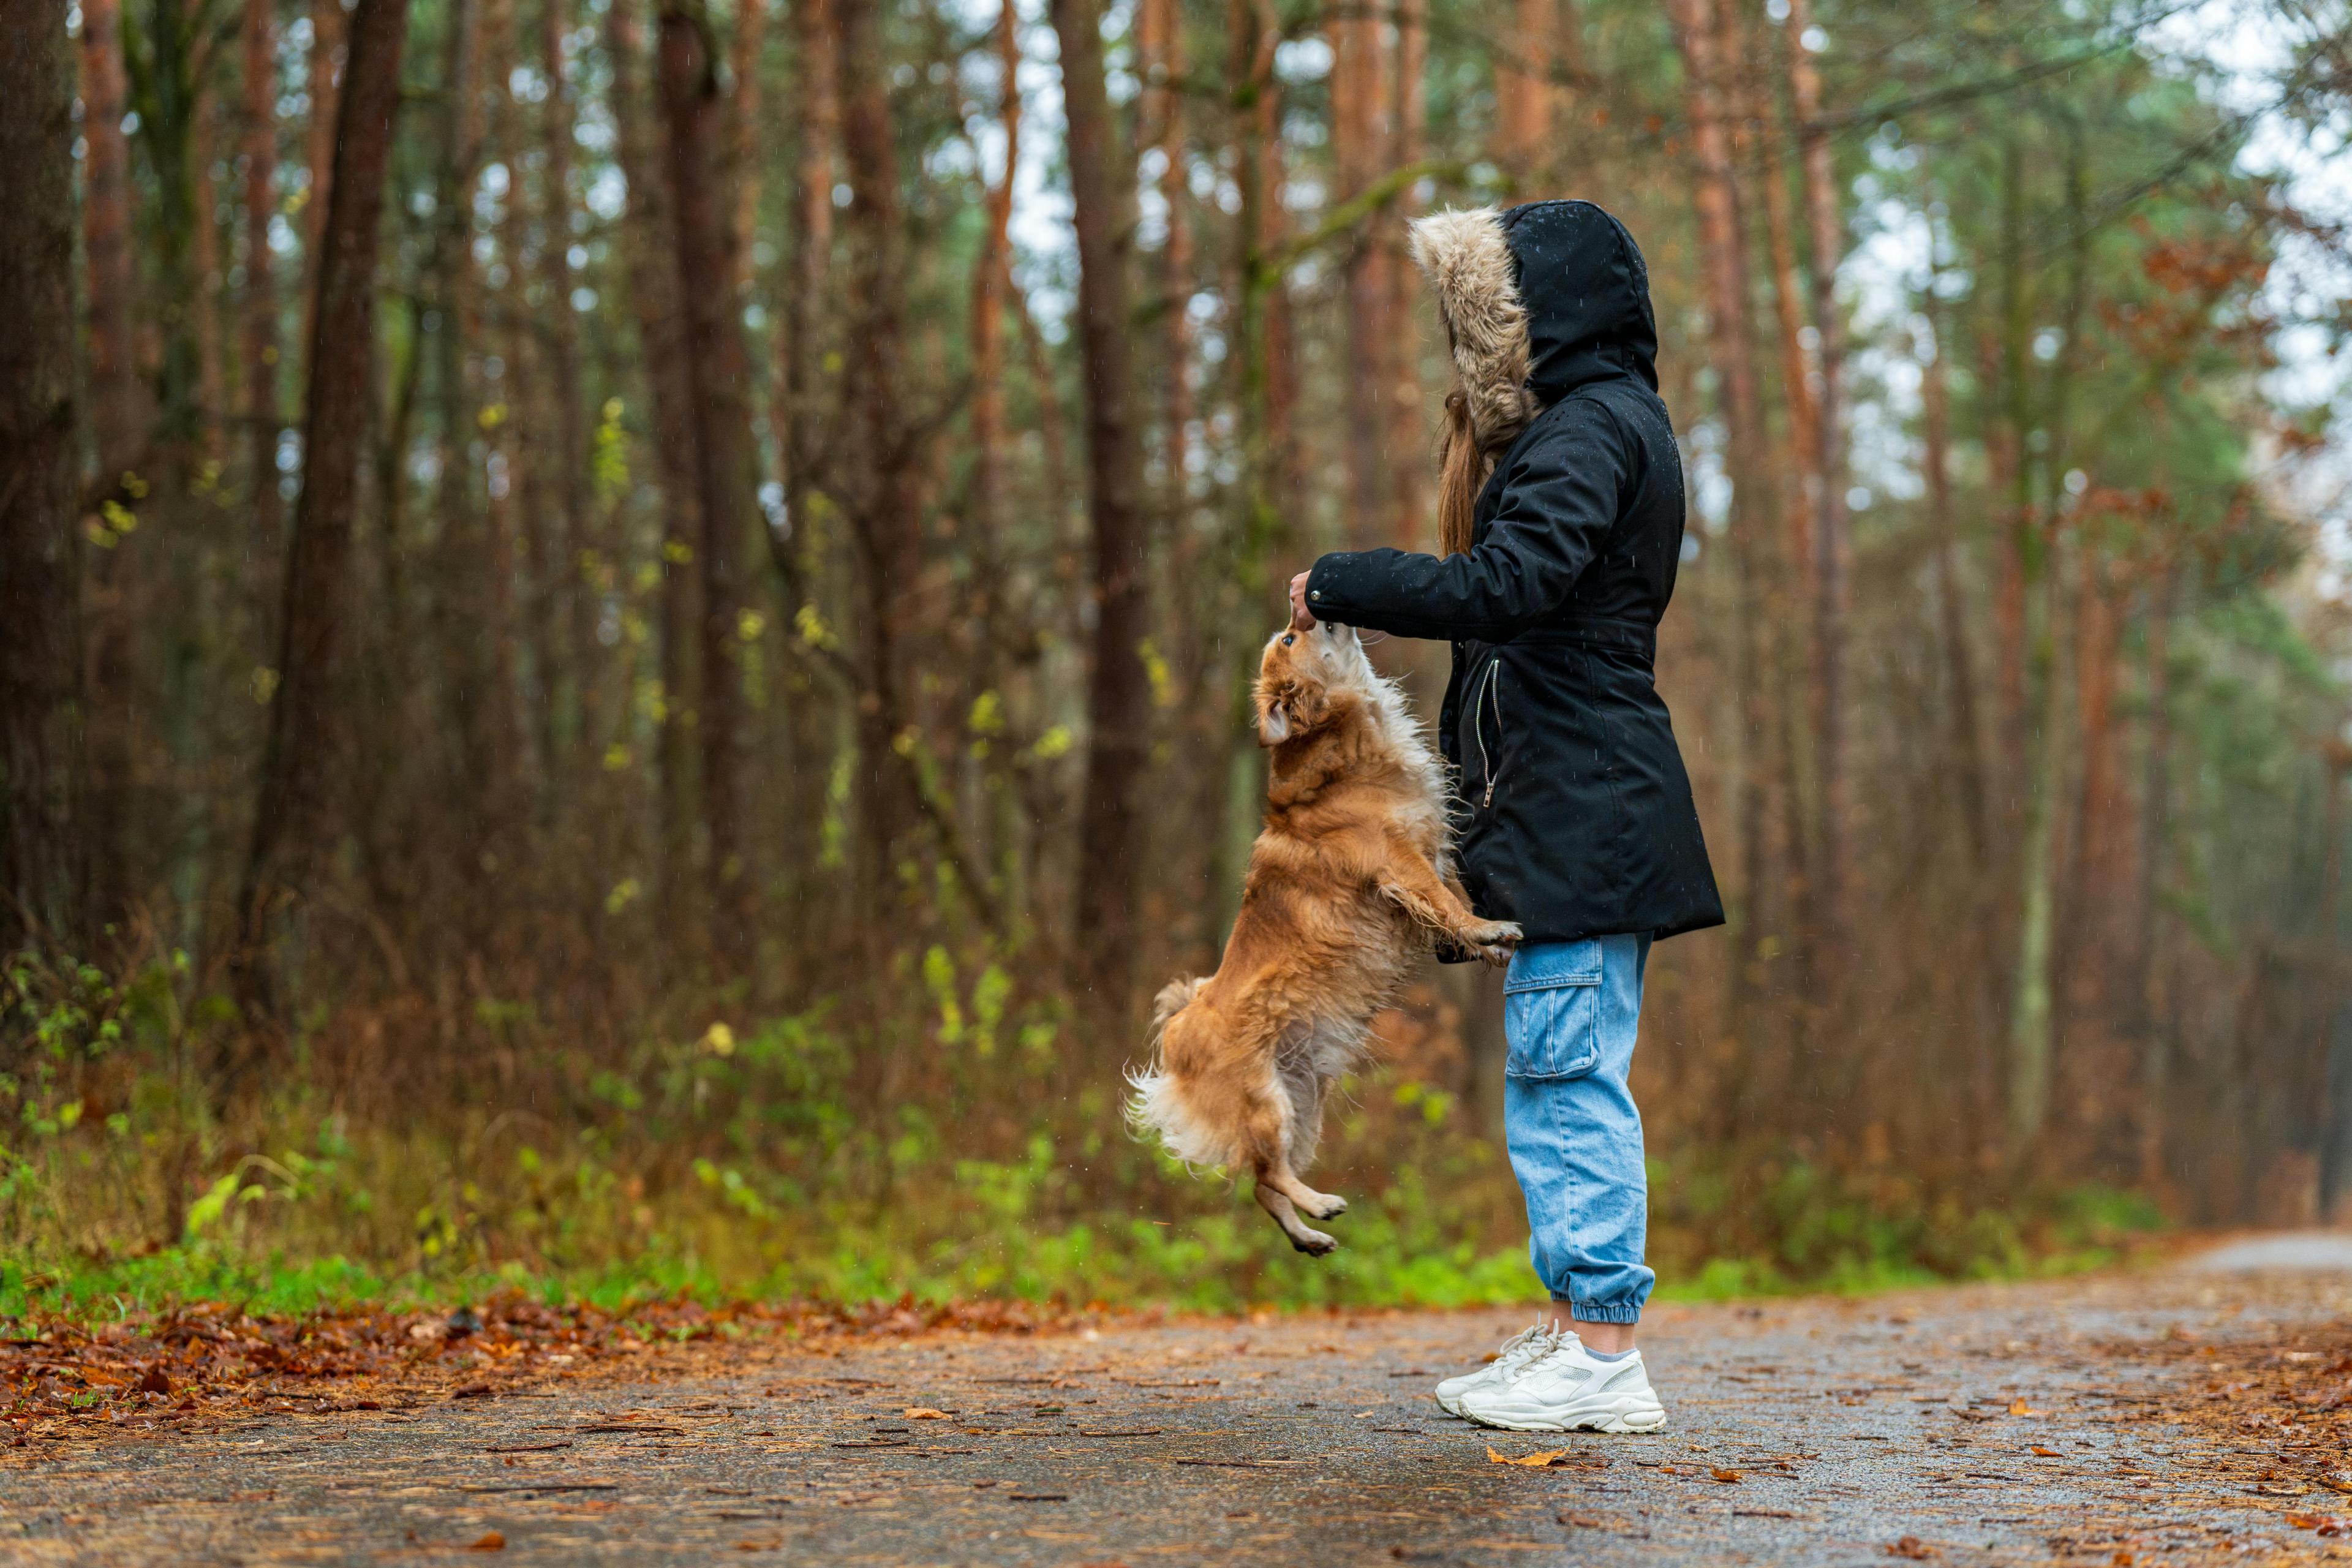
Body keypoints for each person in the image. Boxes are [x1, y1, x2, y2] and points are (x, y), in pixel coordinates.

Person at [1287, 200, 1722, 1434]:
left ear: (1540, 315)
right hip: (1572, 810)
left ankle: (1603, 1349)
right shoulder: (1606, 424)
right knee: (1552, 1073)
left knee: (1566, 1071)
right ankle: (1576, 1327)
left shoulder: (1594, 427)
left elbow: (1512, 584)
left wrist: (1349, 579)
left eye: (1475, 315)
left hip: (1590, 813)